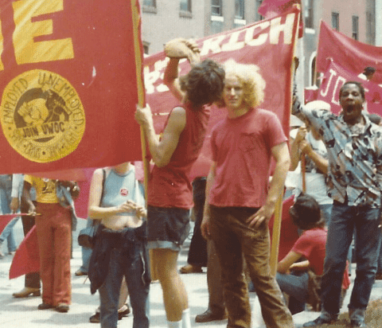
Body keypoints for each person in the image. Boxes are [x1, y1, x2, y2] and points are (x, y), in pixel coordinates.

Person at [135, 38, 225, 328]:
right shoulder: (201, 109)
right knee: (169, 271)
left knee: (166, 273)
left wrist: (147, 124)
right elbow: (170, 79)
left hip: (166, 197)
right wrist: (180, 56)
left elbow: (160, 157)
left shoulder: (180, 113)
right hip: (178, 196)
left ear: (192, 84)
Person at [201, 60, 294, 328]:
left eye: (238, 88)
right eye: (227, 88)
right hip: (219, 211)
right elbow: (213, 173)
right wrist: (206, 213)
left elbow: (284, 161)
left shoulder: (266, 120)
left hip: (252, 212)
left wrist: (270, 205)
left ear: (249, 90)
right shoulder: (218, 129)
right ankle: (239, 324)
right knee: (230, 277)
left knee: (262, 277)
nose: (232, 93)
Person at [293, 81, 382, 328]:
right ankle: (328, 312)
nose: (350, 97)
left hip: (371, 207)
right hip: (341, 205)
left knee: (367, 265)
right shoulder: (329, 123)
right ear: (339, 100)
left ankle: (357, 314)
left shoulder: (377, 134)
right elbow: (296, 107)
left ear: (362, 100)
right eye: (345, 94)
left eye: (355, 94)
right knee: (333, 261)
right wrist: (291, 70)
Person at [87, 162, 149, 328]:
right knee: (109, 305)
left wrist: (143, 212)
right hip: (109, 241)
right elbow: (92, 211)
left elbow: (152, 209)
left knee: (141, 304)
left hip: (136, 241)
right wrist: (117, 209)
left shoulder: (141, 173)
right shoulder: (101, 173)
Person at [276, 193, 350, 314]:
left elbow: (281, 267)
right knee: (297, 271)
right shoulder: (325, 231)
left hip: (325, 293)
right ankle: (296, 312)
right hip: (339, 292)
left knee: (273, 278)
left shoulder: (308, 237)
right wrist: (294, 266)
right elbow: (319, 261)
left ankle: (281, 315)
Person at [22, 174, 79, 312]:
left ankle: (62, 299)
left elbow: (76, 192)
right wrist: (30, 205)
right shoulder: (33, 167)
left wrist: (69, 183)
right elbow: (24, 190)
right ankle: (47, 298)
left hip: (62, 210)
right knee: (45, 256)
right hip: (42, 212)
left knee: (62, 256)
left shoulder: (63, 167)